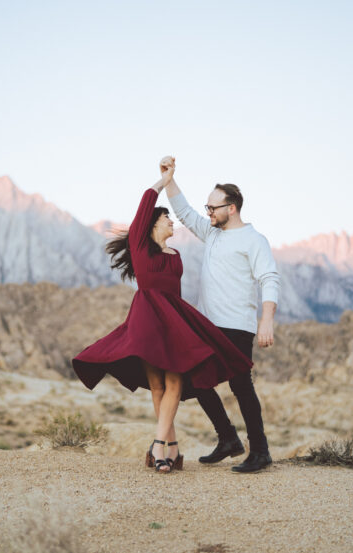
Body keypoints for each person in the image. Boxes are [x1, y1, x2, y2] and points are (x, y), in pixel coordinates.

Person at [72, 158, 253, 473]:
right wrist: (164, 181)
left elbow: (175, 294)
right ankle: (170, 448)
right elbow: (145, 207)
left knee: (174, 382)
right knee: (157, 385)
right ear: (153, 224)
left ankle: (161, 446)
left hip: (174, 321)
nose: (173, 223)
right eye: (167, 219)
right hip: (147, 320)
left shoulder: (176, 255)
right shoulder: (141, 249)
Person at [165, 160, 280, 473]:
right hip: (207, 325)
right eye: (208, 206)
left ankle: (260, 451)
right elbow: (185, 212)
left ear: (231, 208)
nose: (208, 212)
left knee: (241, 386)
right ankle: (228, 438)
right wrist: (169, 180)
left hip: (237, 326)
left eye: (213, 207)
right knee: (196, 379)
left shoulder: (253, 240)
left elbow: (269, 277)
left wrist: (266, 319)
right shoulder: (212, 233)